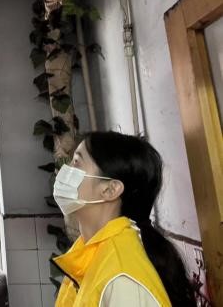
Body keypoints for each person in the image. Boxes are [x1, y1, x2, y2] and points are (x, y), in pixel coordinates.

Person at [52, 131, 196, 307]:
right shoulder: (89, 254)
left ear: (110, 190)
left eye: (76, 162)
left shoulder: (122, 280)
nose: (66, 171)